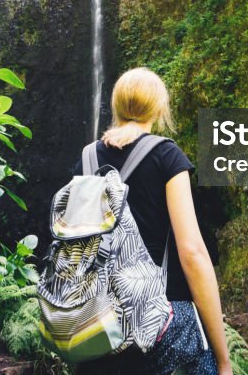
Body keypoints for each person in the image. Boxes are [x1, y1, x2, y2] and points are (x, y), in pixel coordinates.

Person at [71, 67, 232, 375]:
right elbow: (192, 253)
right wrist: (224, 360)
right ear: (159, 108)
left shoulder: (86, 160)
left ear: (117, 107)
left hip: (97, 326)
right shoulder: (166, 156)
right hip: (160, 329)